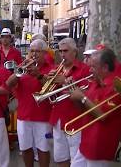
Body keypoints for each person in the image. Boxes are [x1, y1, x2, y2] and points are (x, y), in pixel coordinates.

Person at [69, 47, 121, 167]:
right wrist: (75, 98)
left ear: (105, 67)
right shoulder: (95, 83)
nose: (90, 70)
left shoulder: (116, 87)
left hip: (100, 146)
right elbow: (84, 110)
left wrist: (82, 97)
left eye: (93, 67)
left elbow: (102, 116)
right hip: (86, 143)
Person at [6, 39, 53, 167]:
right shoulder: (23, 67)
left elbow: (52, 88)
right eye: (32, 51)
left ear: (44, 53)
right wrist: (19, 71)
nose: (34, 54)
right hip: (24, 116)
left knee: (43, 149)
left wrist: (38, 75)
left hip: (42, 117)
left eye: (38, 51)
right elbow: (8, 83)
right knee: (25, 148)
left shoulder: (51, 68)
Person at [49, 38, 91, 167]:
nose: (62, 54)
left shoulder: (84, 69)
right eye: (60, 51)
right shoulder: (57, 69)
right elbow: (50, 94)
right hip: (58, 119)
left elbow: (86, 94)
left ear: (75, 52)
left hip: (75, 120)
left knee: (76, 160)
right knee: (61, 158)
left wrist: (65, 81)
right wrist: (47, 81)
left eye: (65, 51)